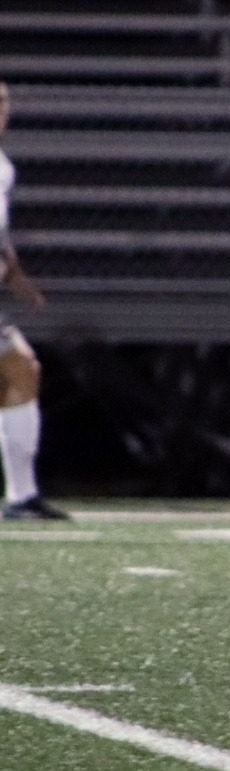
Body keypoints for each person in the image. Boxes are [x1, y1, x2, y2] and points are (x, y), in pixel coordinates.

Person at [0, 83, 68, 521]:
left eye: (4, 104)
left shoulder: (3, 167)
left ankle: (23, 496)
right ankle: (21, 496)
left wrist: (18, 277)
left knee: (21, 368)